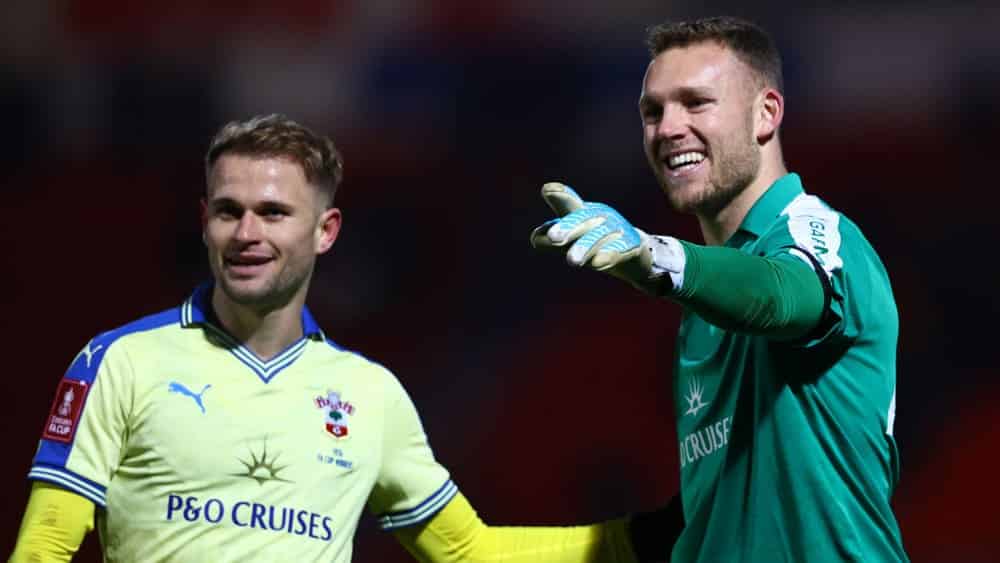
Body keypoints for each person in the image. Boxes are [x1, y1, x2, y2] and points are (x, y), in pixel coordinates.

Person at [10, 114, 659, 562]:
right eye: (229, 211)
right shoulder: (121, 361)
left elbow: (469, 549)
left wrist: (643, 540)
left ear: (326, 231)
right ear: (204, 222)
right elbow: (43, 547)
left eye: (273, 212)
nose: (247, 233)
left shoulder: (369, 394)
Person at [531, 16, 909, 563]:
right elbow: (710, 521)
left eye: (696, 103)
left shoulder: (820, 236)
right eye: (653, 112)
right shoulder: (703, 308)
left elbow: (785, 295)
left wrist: (658, 258)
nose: (667, 128)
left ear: (765, 114)